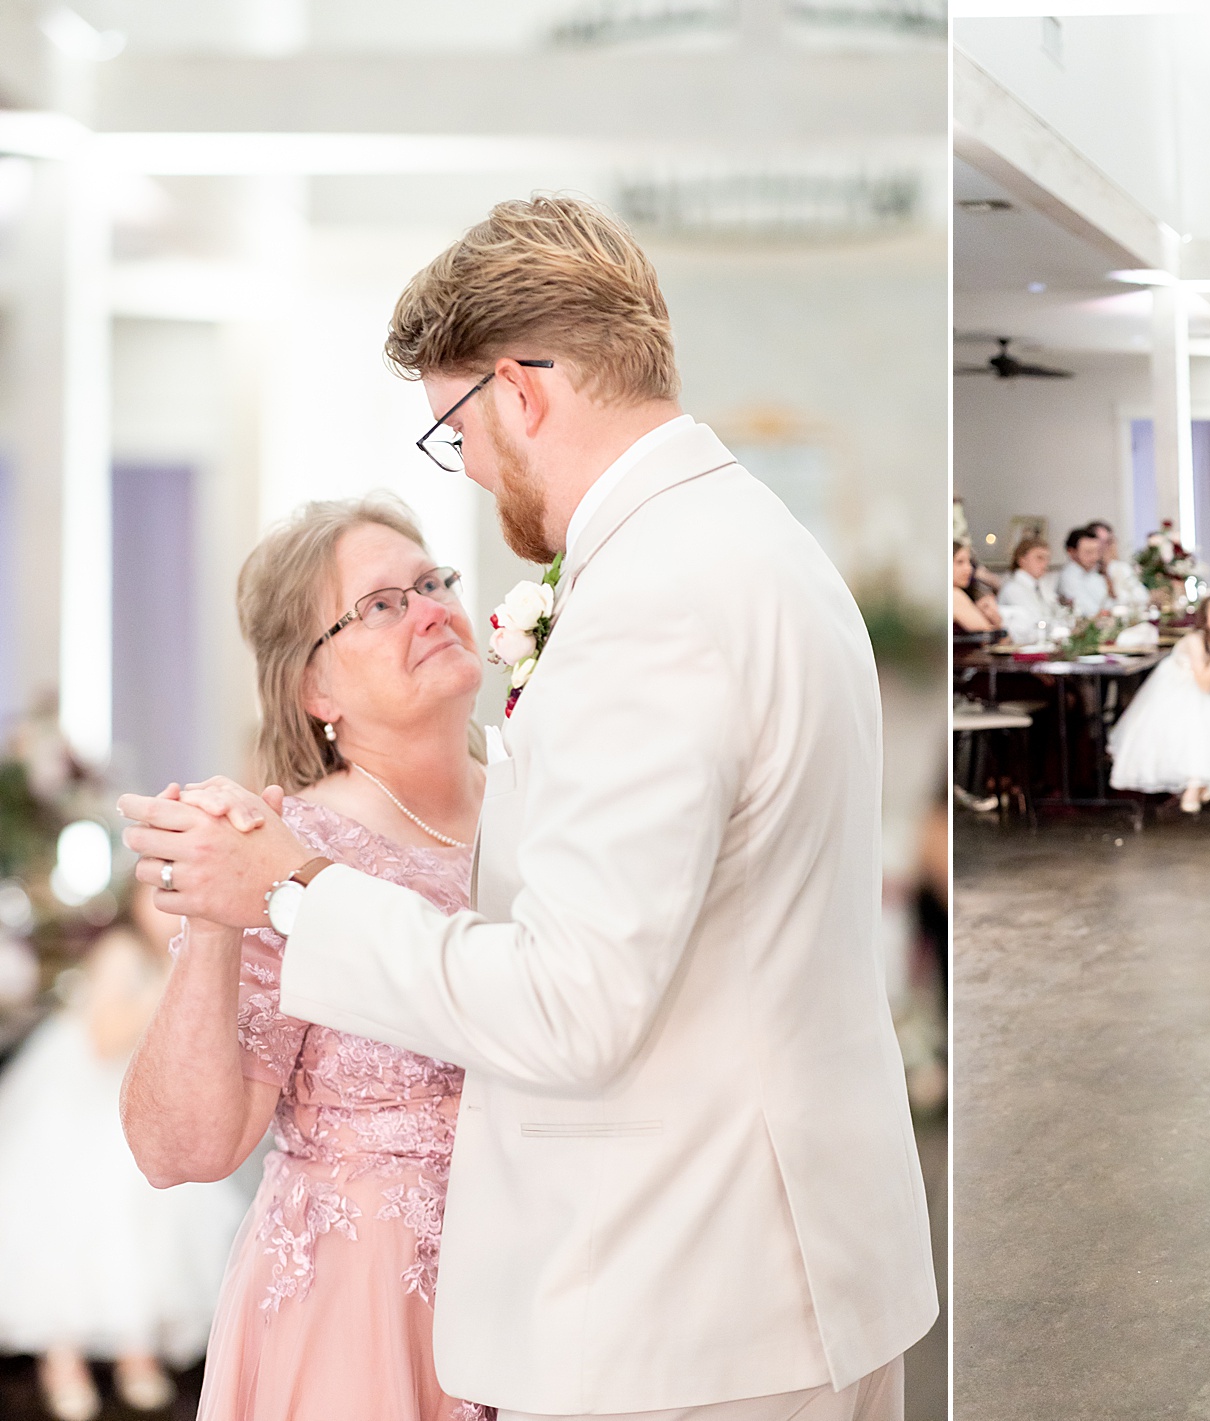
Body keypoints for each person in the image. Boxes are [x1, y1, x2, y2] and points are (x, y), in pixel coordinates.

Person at [120, 196, 935, 1421]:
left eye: (457, 427)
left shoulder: (649, 599)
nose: (478, 468)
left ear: (520, 390)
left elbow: (571, 1003)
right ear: (310, 679)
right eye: (376, 605)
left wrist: (292, 888)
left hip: (693, 1296)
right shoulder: (761, 542)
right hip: (725, 1269)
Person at [121, 500, 501, 1421]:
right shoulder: (285, 846)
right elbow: (181, 1149)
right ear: (313, 690)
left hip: (548, 1288)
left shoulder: (545, 808)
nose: (428, 608)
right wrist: (216, 920)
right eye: (378, 604)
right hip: (363, 1322)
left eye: (432, 581)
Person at [0, 886, 244, 1421]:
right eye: (156, 897)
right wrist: (170, 990)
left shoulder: (184, 956)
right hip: (91, 1105)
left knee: (159, 1215)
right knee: (85, 1216)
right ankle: (62, 1359)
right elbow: (104, 1041)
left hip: (150, 1102)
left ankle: (138, 1350)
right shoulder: (123, 954)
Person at [1106, 594, 1210, 813]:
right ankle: (1196, 784)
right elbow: (1206, 683)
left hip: (1205, 691)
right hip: (1175, 692)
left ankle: (1201, 783)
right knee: (1203, 714)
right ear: (1206, 620)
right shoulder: (1195, 640)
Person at [995, 534, 1063, 643]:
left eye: (1047, 559)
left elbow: (1057, 615)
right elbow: (1033, 625)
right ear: (1022, 560)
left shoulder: (1042, 587)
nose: (1045, 563)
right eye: (1039, 558)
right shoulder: (1013, 589)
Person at [1086, 520, 1149, 609]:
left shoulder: (1121, 568)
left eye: (1109, 542)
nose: (1106, 547)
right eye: (1101, 542)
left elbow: (1143, 596)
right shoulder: (1088, 573)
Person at [1056, 526, 1109, 618]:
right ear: (1071, 552)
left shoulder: (1094, 573)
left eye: (1097, 551)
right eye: (1088, 552)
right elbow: (1088, 610)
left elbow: (1107, 602)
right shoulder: (1068, 576)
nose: (1095, 557)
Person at [953, 541, 1005, 635]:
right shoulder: (953, 594)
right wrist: (996, 620)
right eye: (960, 562)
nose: (968, 568)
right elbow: (987, 637)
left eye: (969, 562)